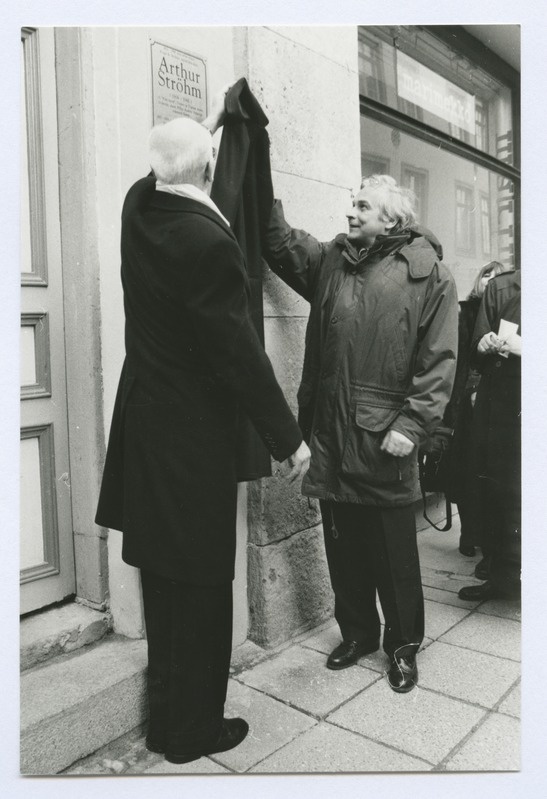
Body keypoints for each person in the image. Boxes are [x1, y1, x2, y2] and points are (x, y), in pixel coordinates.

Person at [95, 91, 310, 764]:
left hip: (145, 430)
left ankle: (166, 723)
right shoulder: (205, 240)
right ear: (207, 165)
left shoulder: (139, 210)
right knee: (201, 591)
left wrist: (203, 136)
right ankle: (191, 732)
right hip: (190, 442)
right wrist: (288, 437)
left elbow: (154, 174)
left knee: (163, 583)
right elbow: (237, 354)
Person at [263, 175, 458, 692]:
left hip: (384, 439)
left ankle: (403, 646)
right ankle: (359, 635)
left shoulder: (428, 274)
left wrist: (413, 424)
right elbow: (278, 241)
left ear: (391, 219)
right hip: (332, 432)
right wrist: (251, 150)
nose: (350, 212)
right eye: (352, 203)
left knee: (394, 555)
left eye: (362, 205)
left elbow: (439, 359)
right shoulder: (333, 260)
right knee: (342, 546)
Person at [458, 269, 521, 601]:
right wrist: (484, 343)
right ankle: (500, 577)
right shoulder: (501, 287)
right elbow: (475, 352)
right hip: (502, 407)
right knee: (498, 489)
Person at [443, 261, 506, 560]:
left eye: (496, 277)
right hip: (462, 401)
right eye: (486, 275)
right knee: (463, 470)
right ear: (479, 280)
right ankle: (468, 533)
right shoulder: (466, 310)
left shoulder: (504, 313)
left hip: (492, 403)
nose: (491, 281)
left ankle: (484, 535)